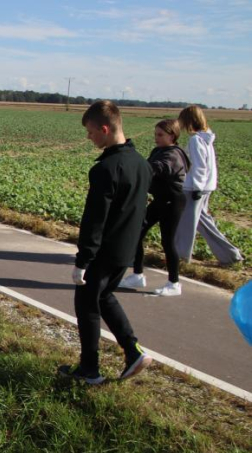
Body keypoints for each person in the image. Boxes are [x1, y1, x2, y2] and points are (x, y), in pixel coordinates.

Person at [58, 101, 152, 385]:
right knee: (105, 297)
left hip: (103, 252)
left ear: (104, 128)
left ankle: (89, 370)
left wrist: (82, 260)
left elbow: (95, 220)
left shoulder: (106, 169)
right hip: (126, 251)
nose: (89, 138)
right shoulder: (142, 164)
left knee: (86, 306)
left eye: (90, 132)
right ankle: (133, 350)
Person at [118, 120, 189, 296]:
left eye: (160, 135)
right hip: (160, 200)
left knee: (167, 241)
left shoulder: (174, 155)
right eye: (155, 134)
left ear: (172, 135)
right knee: (137, 231)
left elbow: (154, 168)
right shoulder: (159, 151)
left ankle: (174, 283)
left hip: (173, 202)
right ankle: (137, 275)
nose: (156, 138)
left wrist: (136, 166)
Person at [174, 105, 244, 266]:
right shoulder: (206, 138)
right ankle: (231, 256)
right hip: (205, 187)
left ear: (188, 121)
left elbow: (199, 166)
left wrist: (197, 187)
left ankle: (181, 257)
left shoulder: (195, 140)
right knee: (203, 223)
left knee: (187, 224)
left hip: (194, 188)